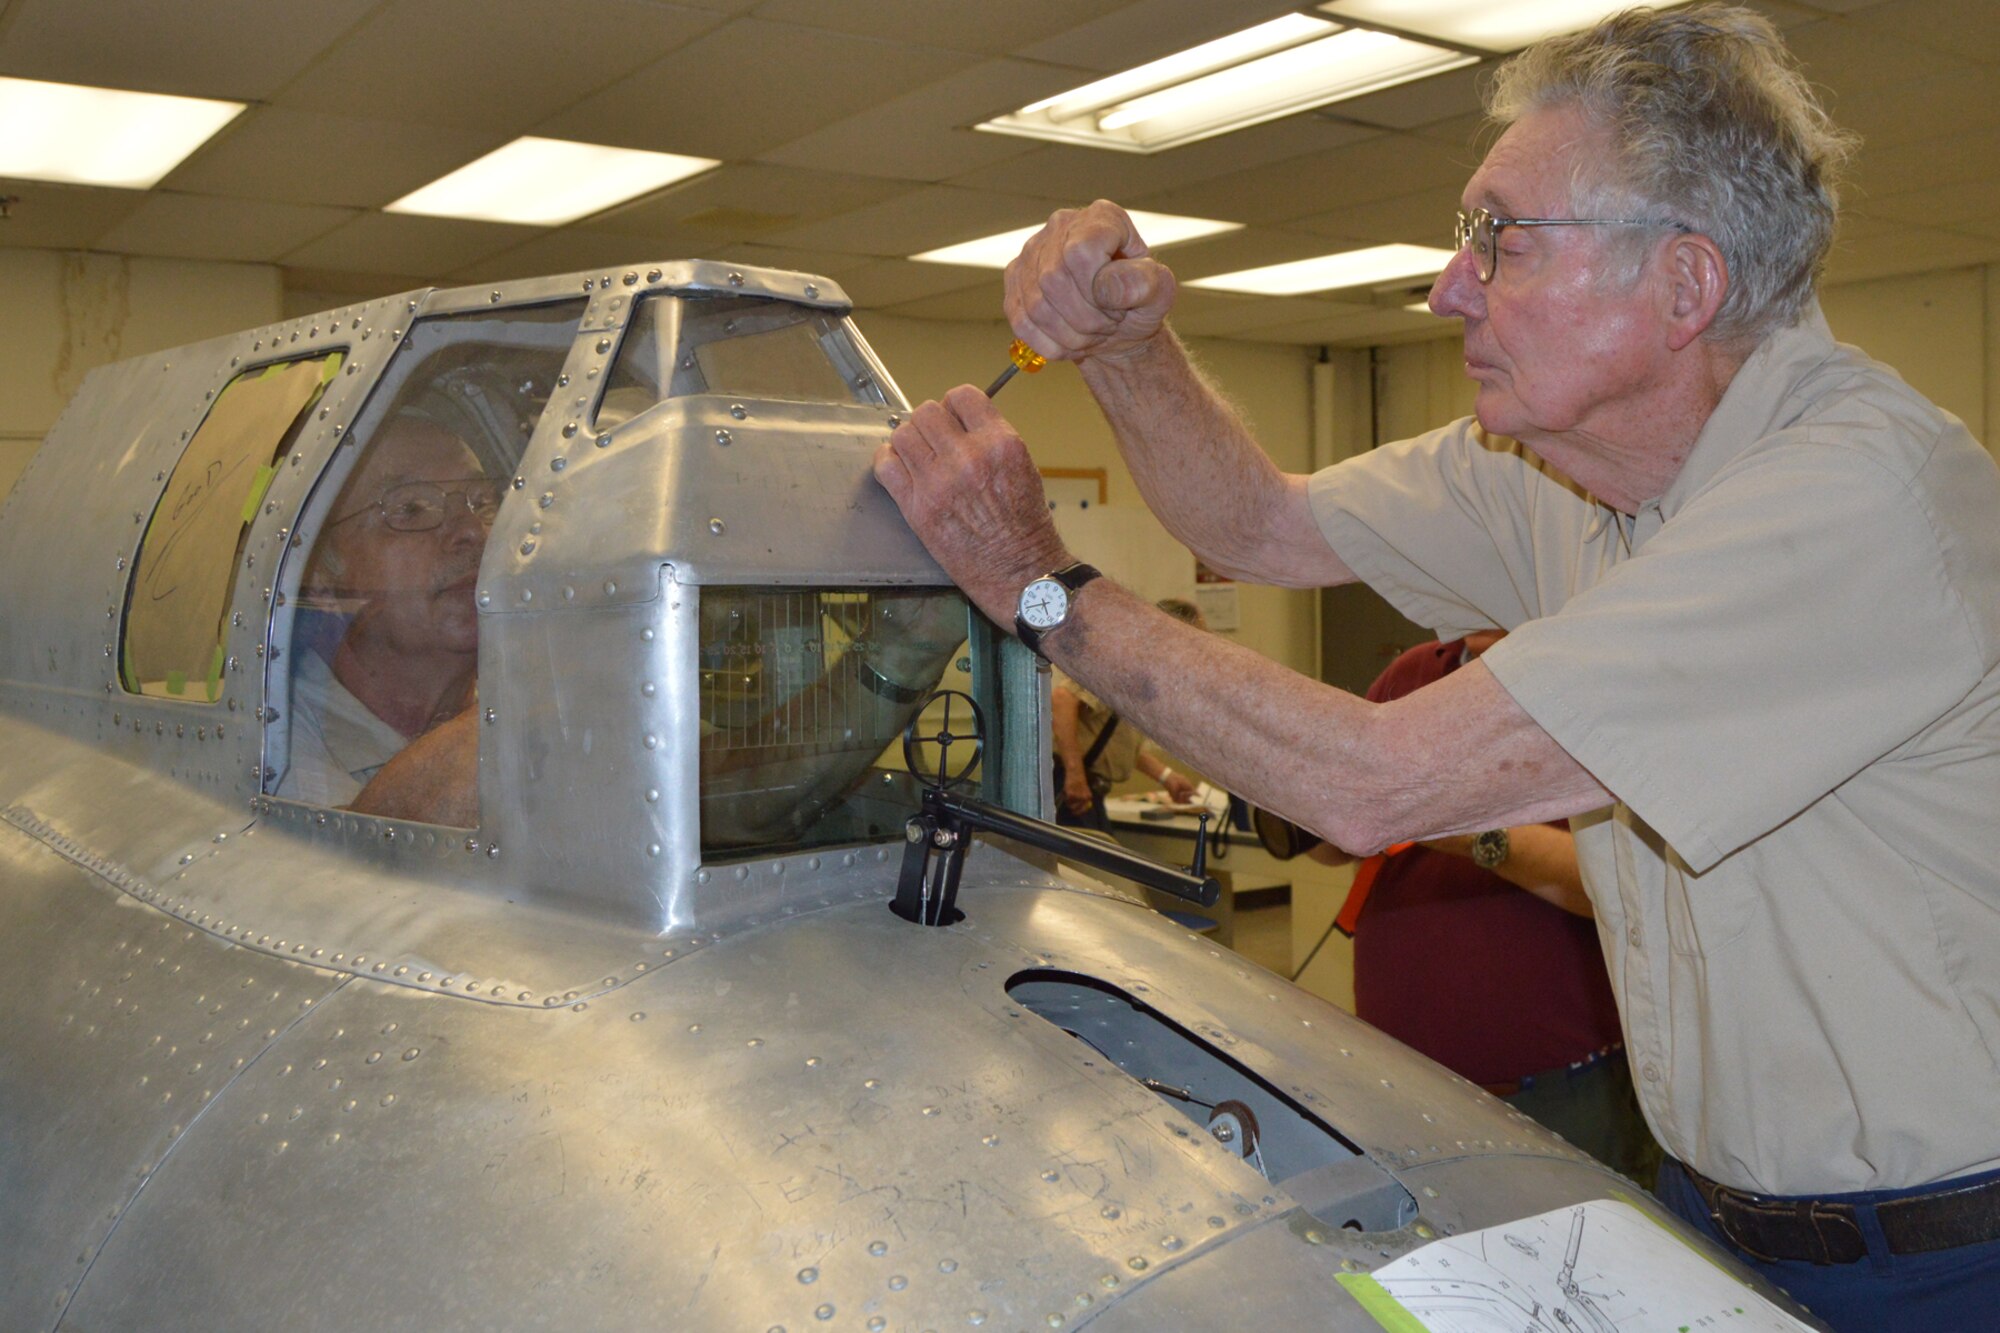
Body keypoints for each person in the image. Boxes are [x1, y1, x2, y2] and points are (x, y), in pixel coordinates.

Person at [873, 6, 2000, 1325]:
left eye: (1501, 241)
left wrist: (1040, 588)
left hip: (1948, 1254)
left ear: (1683, 286)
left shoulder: (1860, 501)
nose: (1447, 287)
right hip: (1713, 1207)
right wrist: (1129, 346)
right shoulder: (1567, 465)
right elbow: (1256, 524)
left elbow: (1375, 785)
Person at [1315, 633, 1658, 1186]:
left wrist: (1469, 831)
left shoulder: (1592, 681)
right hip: (1400, 1076)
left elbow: (1620, 884)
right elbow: (1329, 846)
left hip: (1558, 1092)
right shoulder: (1414, 674)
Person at [280, 411, 496, 824]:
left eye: (483, 502)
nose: (472, 530)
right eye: (412, 508)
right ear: (321, 576)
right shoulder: (272, 750)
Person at [1053, 597, 1205, 828]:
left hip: (1090, 789)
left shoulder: (1144, 677)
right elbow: (1062, 700)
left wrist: (1166, 777)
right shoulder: (1120, 665)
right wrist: (1075, 775)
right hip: (1070, 786)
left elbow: (1115, 743)